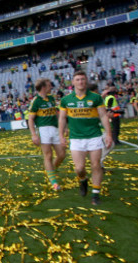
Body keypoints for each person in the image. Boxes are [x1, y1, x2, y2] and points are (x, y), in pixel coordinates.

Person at [58, 70, 112, 205]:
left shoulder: (95, 98)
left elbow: (104, 116)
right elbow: (62, 118)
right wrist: (61, 135)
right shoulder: (66, 100)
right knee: (79, 168)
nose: (80, 82)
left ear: (86, 81)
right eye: (78, 79)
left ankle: (95, 193)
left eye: (82, 79)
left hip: (94, 136)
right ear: (73, 82)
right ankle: (83, 180)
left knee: (95, 165)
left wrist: (109, 134)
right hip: (76, 138)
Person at [28, 78, 65, 191]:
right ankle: (53, 182)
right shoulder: (36, 101)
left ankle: (51, 170)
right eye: (49, 85)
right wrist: (34, 134)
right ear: (43, 87)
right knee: (48, 155)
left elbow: (57, 114)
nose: (51, 87)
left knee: (62, 154)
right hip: (44, 130)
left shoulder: (51, 99)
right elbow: (30, 119)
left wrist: (63, 127)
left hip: (55, 129)